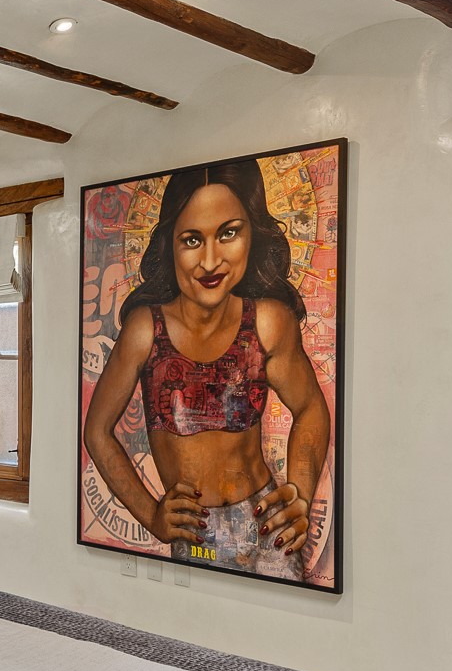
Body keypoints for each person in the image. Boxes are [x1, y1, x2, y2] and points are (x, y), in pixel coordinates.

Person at [82, 160, 331, 581]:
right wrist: (151, 515)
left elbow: (310, 408)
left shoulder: (269, 322)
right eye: (192, 240)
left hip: (267, 531)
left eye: (228, 233)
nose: (211, 260)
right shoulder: (145, 329)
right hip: (193, 534)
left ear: (252, 235)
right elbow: (97, 431)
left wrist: (300, 496)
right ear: (170, 244)